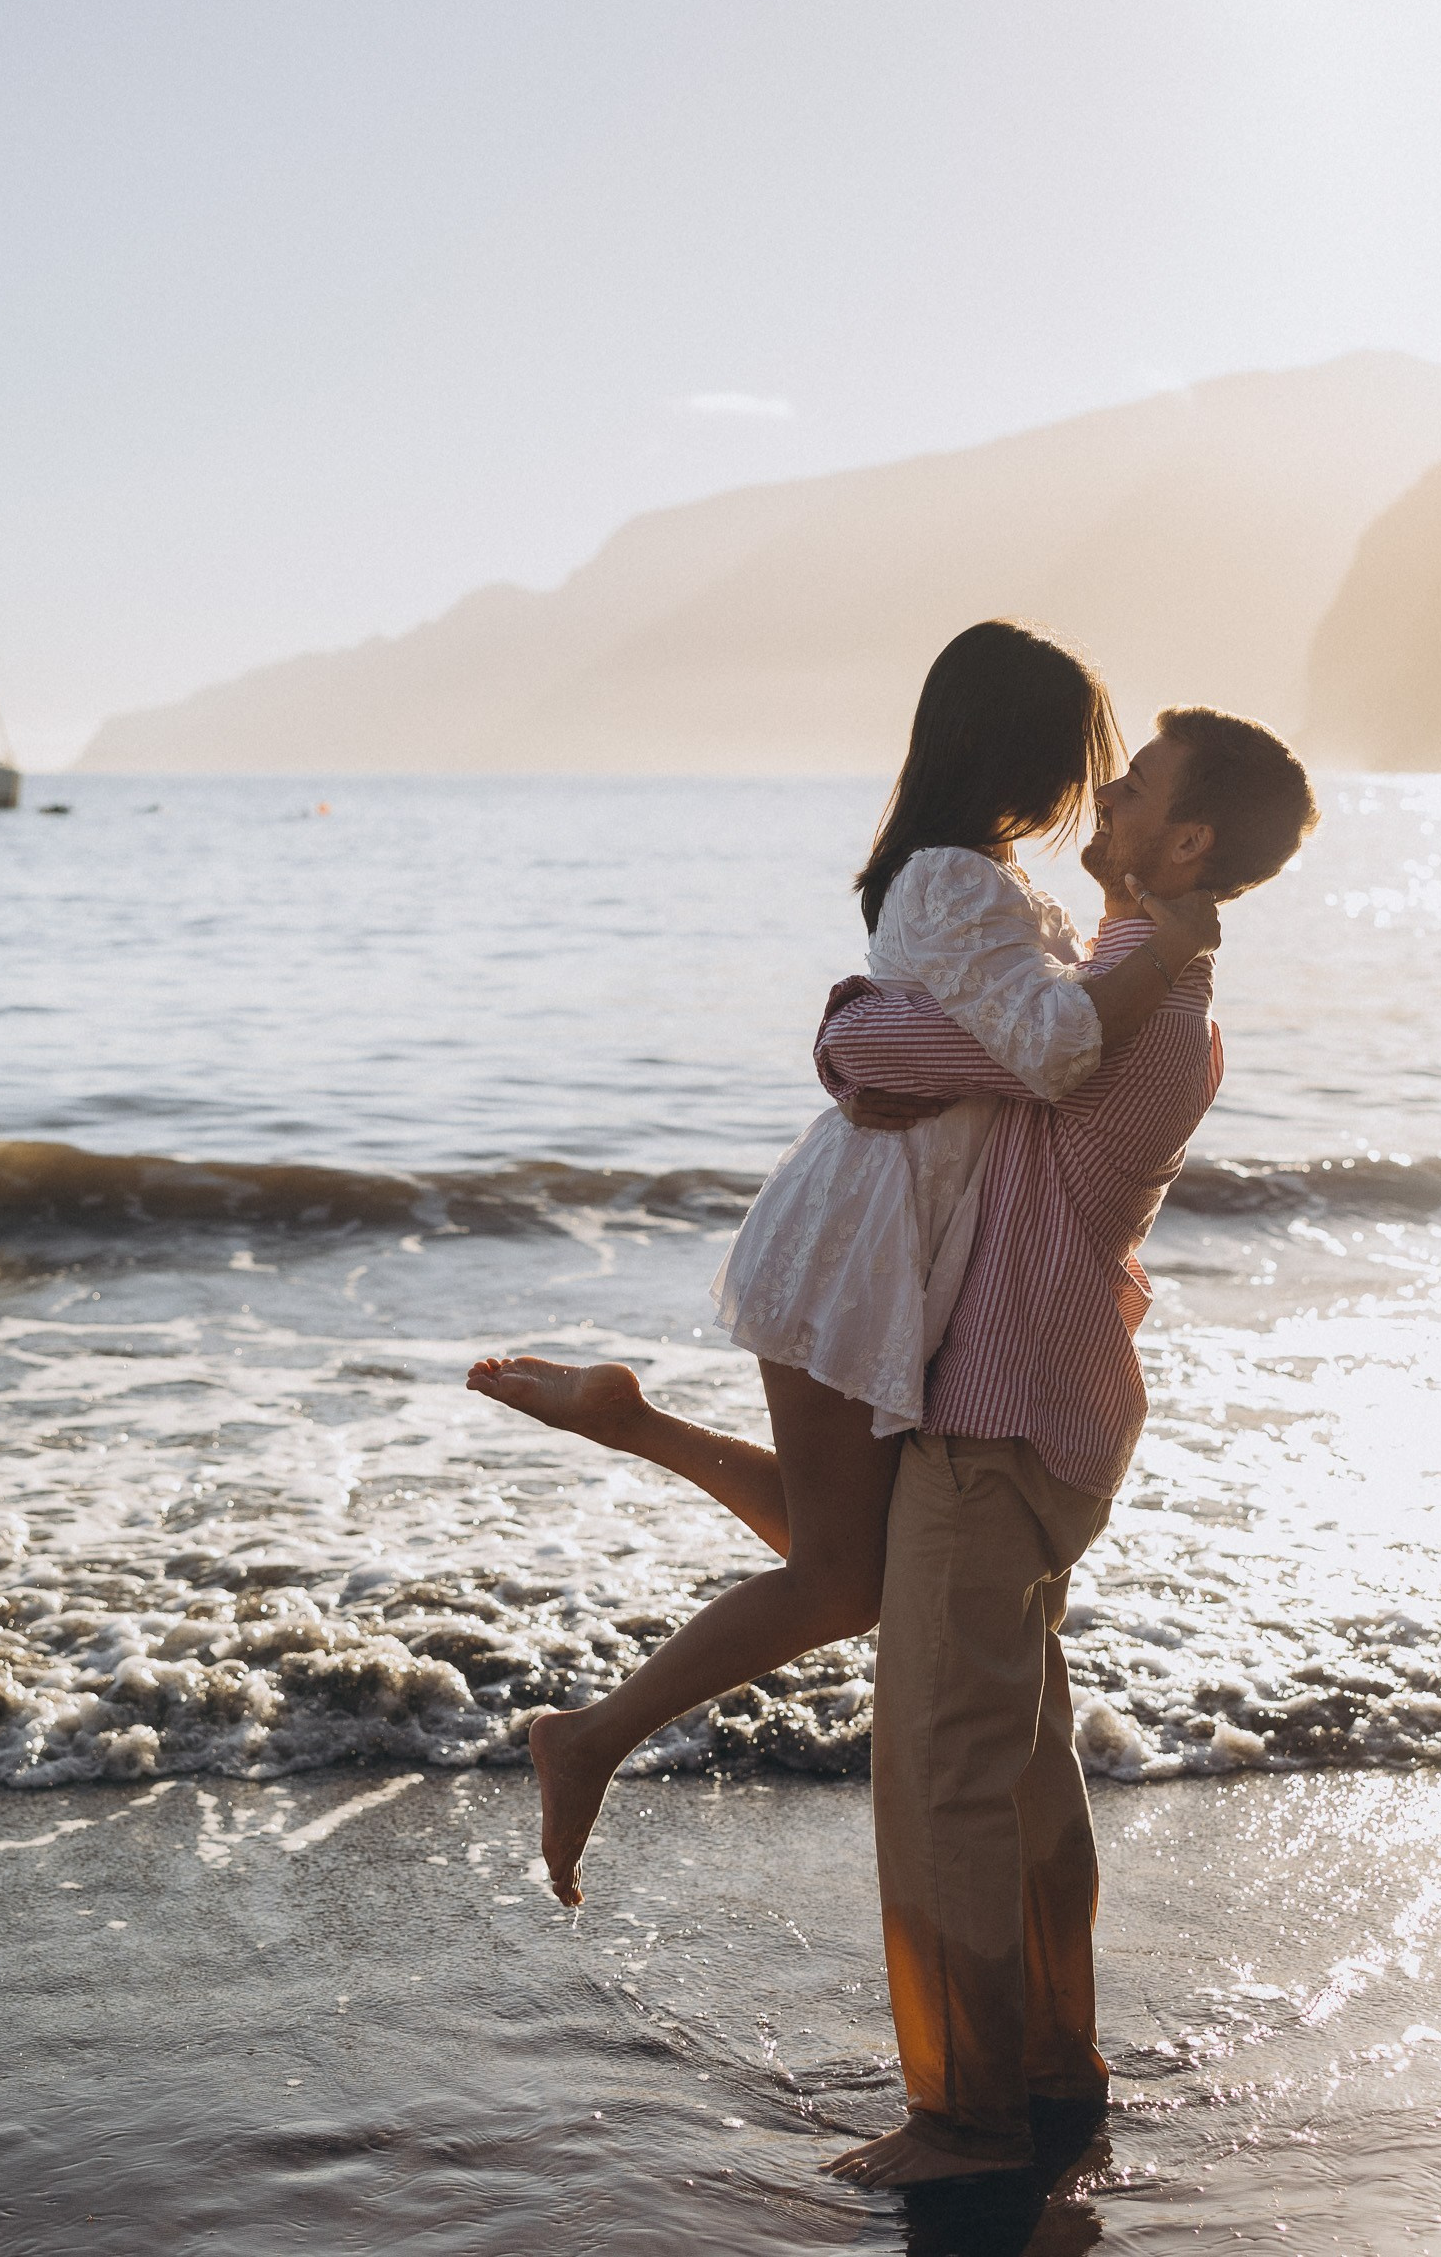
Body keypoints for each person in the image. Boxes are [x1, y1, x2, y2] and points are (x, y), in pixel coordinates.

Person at [473, 702, 1317, 2193]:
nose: (1104, 795)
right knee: (1019, 1770)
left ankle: (967, 2119)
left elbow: (875, 1045)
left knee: (946, 1781)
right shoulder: (1133, 980)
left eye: (1138, 787)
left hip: (1001, 1419)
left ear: (1185, 840)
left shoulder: (1129, 994)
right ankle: (1049, 2069)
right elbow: (905, 1054)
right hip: (1020, 1411)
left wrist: (845, 1017)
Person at [468, 624, 1223, 1908]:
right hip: (857, 1247)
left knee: (856, 1567)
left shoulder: (992, 889)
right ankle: (585, 1738)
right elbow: (1047, 1053)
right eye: (1075, 759)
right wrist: (1162, 944)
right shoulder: (951, 878)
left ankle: (629, 1426)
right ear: (1013, 752)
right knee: (845, 1576)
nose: (1086, 790)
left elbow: (998, 1046)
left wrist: (873, 1039)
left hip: (897, 1245)